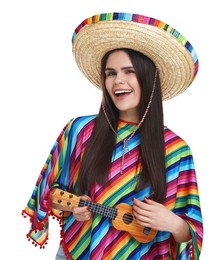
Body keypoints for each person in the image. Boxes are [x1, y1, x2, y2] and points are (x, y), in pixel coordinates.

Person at [22, 12, 203, 259]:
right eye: (110, 73)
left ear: (148, 77)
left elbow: (190, 234)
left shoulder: (175, 149)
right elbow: (50, 195)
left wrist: (172, 222)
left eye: (129, 71)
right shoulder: (80, 130)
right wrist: (73, 206)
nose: (118, 81)